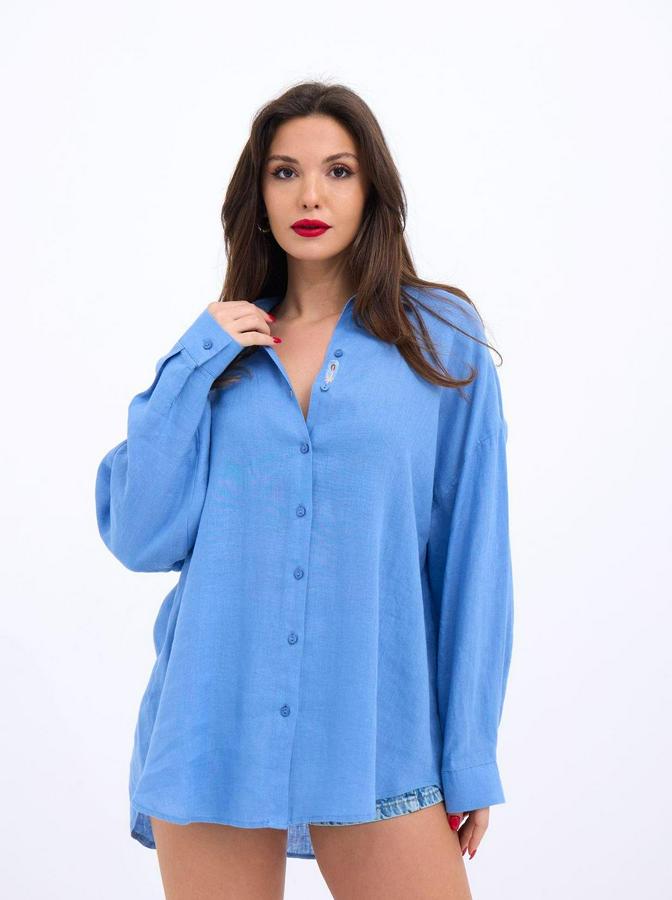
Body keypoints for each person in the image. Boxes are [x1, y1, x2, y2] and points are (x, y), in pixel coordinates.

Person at [94, 80, 514, 900]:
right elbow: (139, 535)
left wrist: (469, 755)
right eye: (285, 172)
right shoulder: (219, 357)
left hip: (379, 735)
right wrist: (191, 359)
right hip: (212, 734)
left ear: (373, 191)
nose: (310, 195)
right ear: (257, 196)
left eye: (338, 171)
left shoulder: (441, 342)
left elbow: (475, 563)